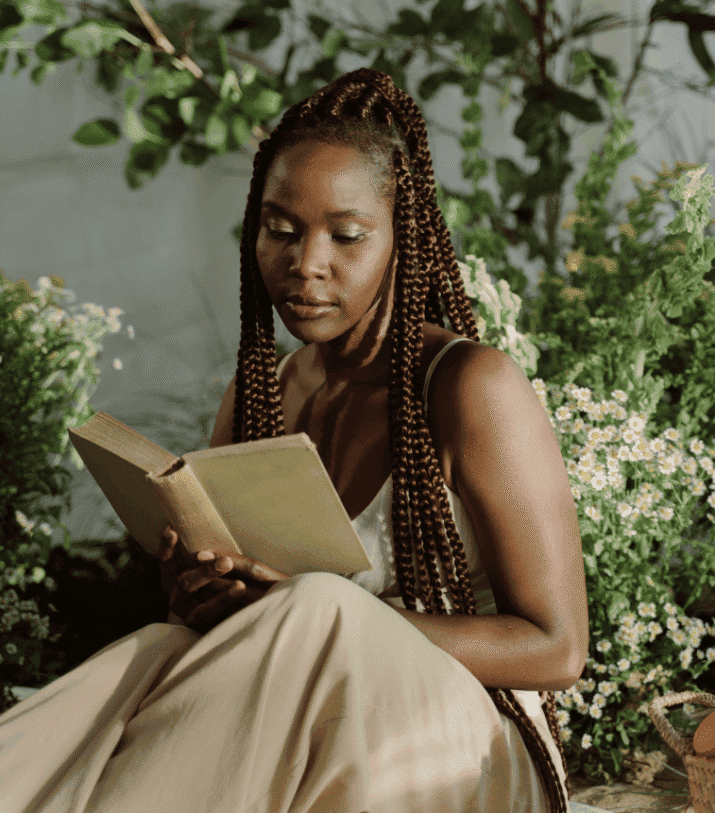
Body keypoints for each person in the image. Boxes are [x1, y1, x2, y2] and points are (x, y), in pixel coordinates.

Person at [0, 68, 589, 813]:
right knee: (159, 646)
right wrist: (202, 596)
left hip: (461, 745)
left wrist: (316, 623)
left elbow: (556, 649)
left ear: (401, 238)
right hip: (299, 726)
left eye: (345, 236)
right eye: (279, 229)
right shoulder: (264, 390)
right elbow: (231, 627)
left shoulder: (470, 385)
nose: (305, 263)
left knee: (317, 608)